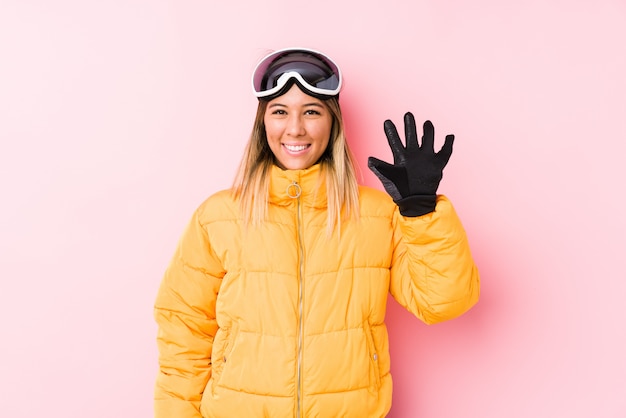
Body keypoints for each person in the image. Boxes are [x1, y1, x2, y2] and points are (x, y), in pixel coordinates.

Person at [154, 47, 480, 418]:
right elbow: (183, 331)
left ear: (333, 123)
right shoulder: (219, 216)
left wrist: (421, 212)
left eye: (311, 111)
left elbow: (444, 302)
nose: (295, 128)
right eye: (280, 112)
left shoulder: (376, 214)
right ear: (263, 123)